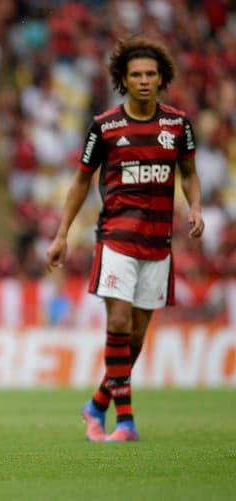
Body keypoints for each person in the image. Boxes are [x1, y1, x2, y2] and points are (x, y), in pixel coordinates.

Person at [45, 34, 204, 442]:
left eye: (151, 73)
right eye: (136, 74)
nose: (145, 80)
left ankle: (97, 403)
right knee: (117, 321)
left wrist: (195, 206)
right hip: (115, 237)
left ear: (161, 77)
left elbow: (188, 172)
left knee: (134, 338)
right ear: (123, 79)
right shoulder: (105, 127)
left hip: (158, 243)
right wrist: (62, 234)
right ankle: (127, 422)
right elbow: (81, 182)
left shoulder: (177, 124)